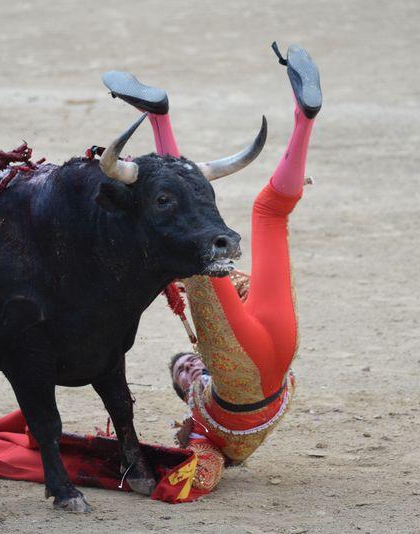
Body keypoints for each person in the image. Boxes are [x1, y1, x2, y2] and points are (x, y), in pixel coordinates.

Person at [167, 43, 322, 492]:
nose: (190, 369)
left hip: (270, 342)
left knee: (270, 209)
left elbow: (240, 287)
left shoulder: (208, 407)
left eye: (185, 364)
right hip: (266, 356)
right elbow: (202, 472)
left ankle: (304, 118)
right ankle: (159, 118)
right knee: (196, 256)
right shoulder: (201, 422)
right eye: (185, 374)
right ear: (186, 393)